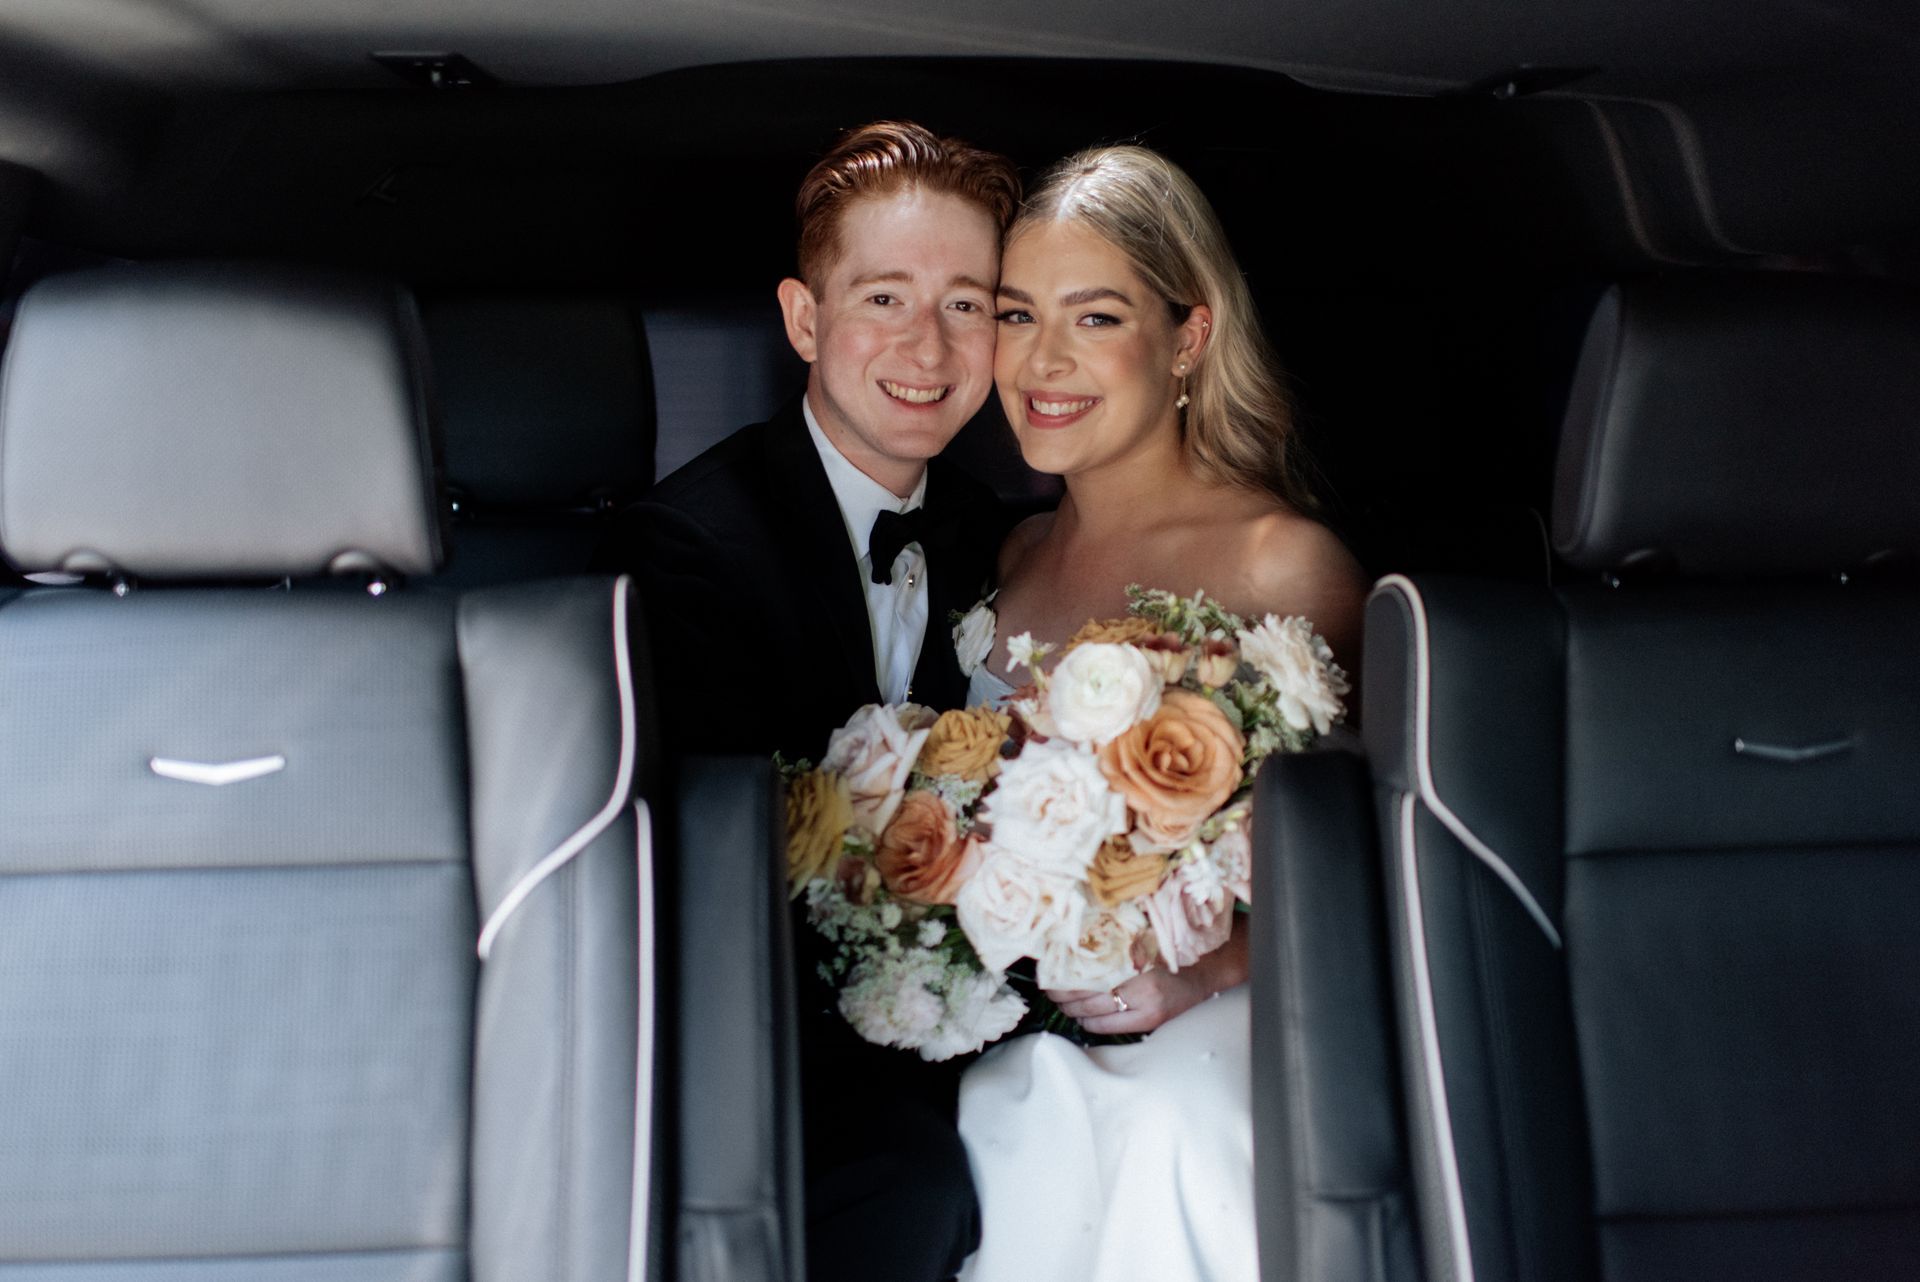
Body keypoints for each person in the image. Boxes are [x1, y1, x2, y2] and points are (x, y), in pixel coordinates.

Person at [604, 122, 1020, 1282]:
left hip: (985, 1005)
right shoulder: (683, 545)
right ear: (803, 318)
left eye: (967, 305)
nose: (927, 348)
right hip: (770, 1033)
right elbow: (707, 888)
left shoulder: (1004, 537)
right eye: (884, 297)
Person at [954, 145, 1367, 1282]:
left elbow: (1365, 874)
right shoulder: (1011, 554)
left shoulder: (1284, 565)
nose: (1042, 361)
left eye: (1094, 319)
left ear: (1187, 338)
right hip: (1021, 1015)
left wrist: (1202, 970)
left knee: (1163, 1127)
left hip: (1220, 1013)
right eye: (1015, 314)